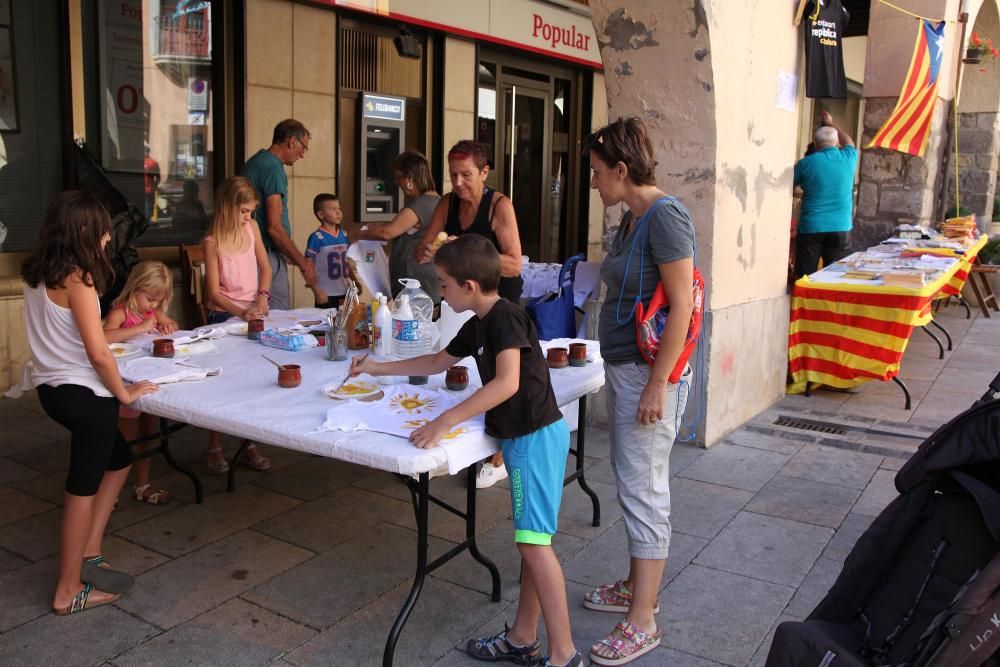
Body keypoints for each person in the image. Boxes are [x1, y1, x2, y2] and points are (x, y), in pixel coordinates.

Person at [350, 234, 581, 667]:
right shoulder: (479, 323)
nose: (440, 291)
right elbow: (437, 362)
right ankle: (523, 637)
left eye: (443, 284)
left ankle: (564, 654)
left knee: (533, 546)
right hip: (528, 439)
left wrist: (444, 420)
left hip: (533, 440)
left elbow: (507, 382)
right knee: (534, 542)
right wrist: (377, 367)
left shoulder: (505, 319)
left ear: (469, 286)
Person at [582, 117, 695, 666]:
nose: (594, 183)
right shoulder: (635, 218)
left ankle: (643, 619)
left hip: (647, 377)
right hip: (628, 370)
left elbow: (683, 306)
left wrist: (658, 384)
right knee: (633, 483)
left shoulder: (665, 218)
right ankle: (634, 587)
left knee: (645, 490)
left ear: (622, 170)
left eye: (598, 173)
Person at [20, 191, 159, 615]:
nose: (107, 237)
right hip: (84, 394)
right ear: (86, 233)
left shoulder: (38, 274)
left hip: (52, 390)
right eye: (102, 230)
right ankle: (68, 590)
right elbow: (98, 352)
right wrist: (125, 393)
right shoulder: (78, 278)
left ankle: (90, 550)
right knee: (80, 490)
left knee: (117, 460)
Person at [415, 140, 525, 489]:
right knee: (452, 364)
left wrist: (465, 251)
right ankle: (453, 437)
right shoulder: (447, 204)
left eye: (466, 175)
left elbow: (515, 263)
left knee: (498, 377)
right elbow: (426, 246)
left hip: (496, 303)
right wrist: (428, 248)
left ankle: (499, 454)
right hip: (459, 301)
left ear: (484, 172)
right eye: (453, 175)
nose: (459, 182)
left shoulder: (499, 205)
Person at [201, 176, 273, 474]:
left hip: (252, 311)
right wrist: (241, 312)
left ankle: (249, 442)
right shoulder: (211, 240)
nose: (248, 216)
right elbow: (213, 292)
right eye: (244, 211)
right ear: (228, 207)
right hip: (224, 315)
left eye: (251, 211)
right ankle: (214, 445)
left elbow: (265, 267)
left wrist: (263, 297)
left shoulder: (252, 228)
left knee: (252, 379)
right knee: (221, 382)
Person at [103, 260, 176, 505]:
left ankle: (142, 483)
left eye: (158, 301)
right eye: (150, 298)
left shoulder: (151, 312)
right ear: (136, 288)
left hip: (149, 376)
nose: (154, 305)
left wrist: (166, 324)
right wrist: (139, 329)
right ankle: (110, 490)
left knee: (150, 429)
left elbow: (172, 324)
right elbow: (104, 335)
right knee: (125, 436)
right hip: (126, 380)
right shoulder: (121, 310)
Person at [242, 118, 316, 310]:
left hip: (254, 254)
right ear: (292, 141)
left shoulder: (255, 162)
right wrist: (303, 263)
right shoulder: (272, 168)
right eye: (304, 148)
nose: (302, 155)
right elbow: (274, 227)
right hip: (266, 255)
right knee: (278, 319)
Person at [356, 151, 441, 305]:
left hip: (416, 286)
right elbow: (402, 226)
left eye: (398, 177)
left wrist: (356, 234)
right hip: (425, 285)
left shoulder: (421, 203)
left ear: (409, 179)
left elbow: (387, 232)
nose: (397, 182)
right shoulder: (436, 202)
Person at [793, 110, 858, 278]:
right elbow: (849, 141)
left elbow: (789, 187)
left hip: (811, 227)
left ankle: (804, 304)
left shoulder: (805, 163)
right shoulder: (849, 157)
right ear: (836, 143)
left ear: (815, 144)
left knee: (805, 278)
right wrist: (830, 123)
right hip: (840, 227)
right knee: (835, 279)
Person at [306, 194, 355, 309]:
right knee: (327, 324)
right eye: (333, 209)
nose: (338, 212)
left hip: (344, 292)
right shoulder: (316, 237)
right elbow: (308, 267)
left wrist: (354, 281)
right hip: (326, 294)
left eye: (339, 208)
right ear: (321, 215)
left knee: (345, 323)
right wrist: (317, 291)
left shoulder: (344, 235)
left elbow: (346, 262)